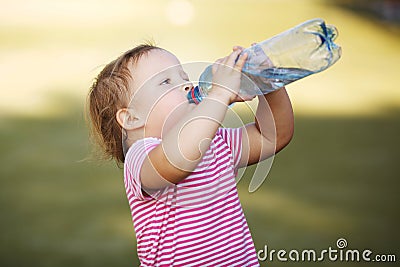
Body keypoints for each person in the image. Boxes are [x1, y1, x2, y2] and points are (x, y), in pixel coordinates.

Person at [87, 43, 294, 266]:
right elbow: (175, 162)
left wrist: (268, 83)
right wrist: (220, 93)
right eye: (166, 82)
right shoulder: (140, 156)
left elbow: (272, 137)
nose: (186, 85)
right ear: (132, 118)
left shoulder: (216, 142)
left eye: (184, 77)